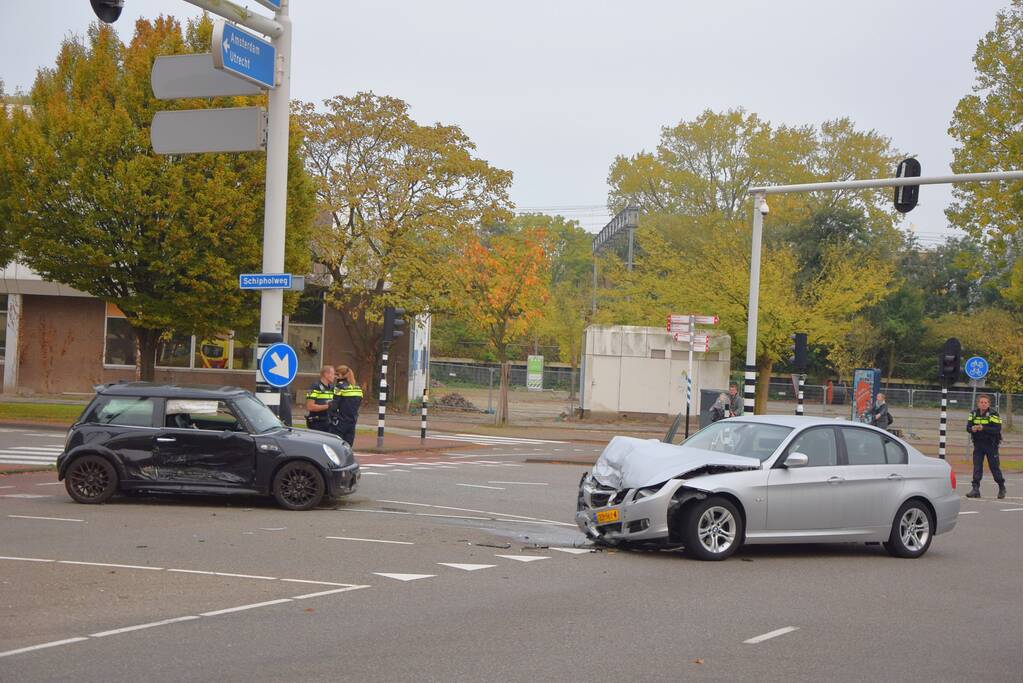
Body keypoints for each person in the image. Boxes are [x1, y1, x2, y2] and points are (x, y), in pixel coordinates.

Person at [966, 394, 1005, 499]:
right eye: (981, 402)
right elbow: (968, 427)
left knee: (994, 467)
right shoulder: (973, 413)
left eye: (985, 402)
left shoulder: (994, 414)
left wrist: (983, 428)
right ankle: (975, 489)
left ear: (989, 404)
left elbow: (997, 430)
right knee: (977, 467)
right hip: (978, 445)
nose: (983, 404)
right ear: (978, 403)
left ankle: (1001, 487)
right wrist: (972, 429)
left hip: (991, 445)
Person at [332, 364, 363, 448]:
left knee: (337, 447)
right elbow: (359, 403)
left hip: (341, 421)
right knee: (348, 447)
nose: (335, 377)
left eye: (337, 374)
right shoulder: (357, 387)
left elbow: (334, 404)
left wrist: (332, 416)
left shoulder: (339, 386)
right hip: (352, 421)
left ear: (342, 375)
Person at [304, 365, 336, 433]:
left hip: (328, 422)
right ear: (326, 374)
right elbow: (309, 406)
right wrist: (328, 406)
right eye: (333, 374)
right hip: (317, 423)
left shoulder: (331, 388)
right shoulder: (315, 386)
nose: (334, 376)